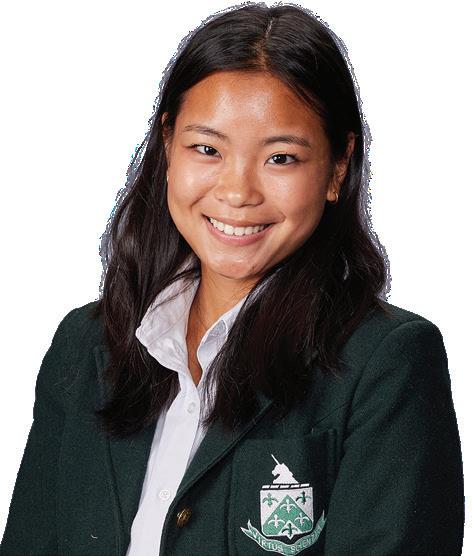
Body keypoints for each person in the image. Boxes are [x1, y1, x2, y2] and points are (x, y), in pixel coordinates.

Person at [0, 3, 464, 555]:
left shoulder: (387, 362)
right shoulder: (85, 346)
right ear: (167, 147)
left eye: (281, 158)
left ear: (338, 167)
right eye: (207, 149)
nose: (237, 192)